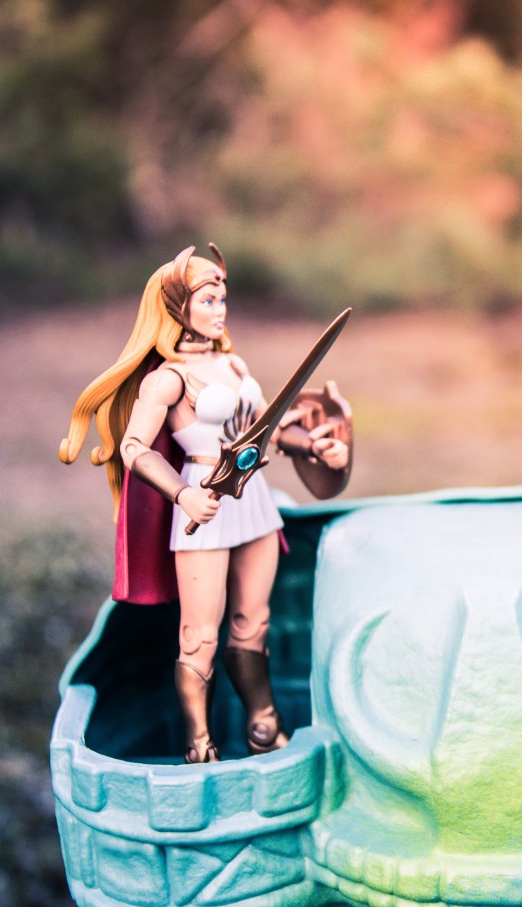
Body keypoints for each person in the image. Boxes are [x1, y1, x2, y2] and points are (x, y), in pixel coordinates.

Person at [60, 244, 351, 763]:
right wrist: (184, 494)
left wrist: (313, 446)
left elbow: (264, 432)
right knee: (199, 637)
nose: (220, 310)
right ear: (179, 307)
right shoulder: (168, 379)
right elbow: (134, 448)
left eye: (223, 298)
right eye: (208, 300)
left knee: (252, 623)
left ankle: (264, 728)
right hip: (204, 501)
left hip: (253, 501)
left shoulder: (232, 364)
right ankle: (200, 746)